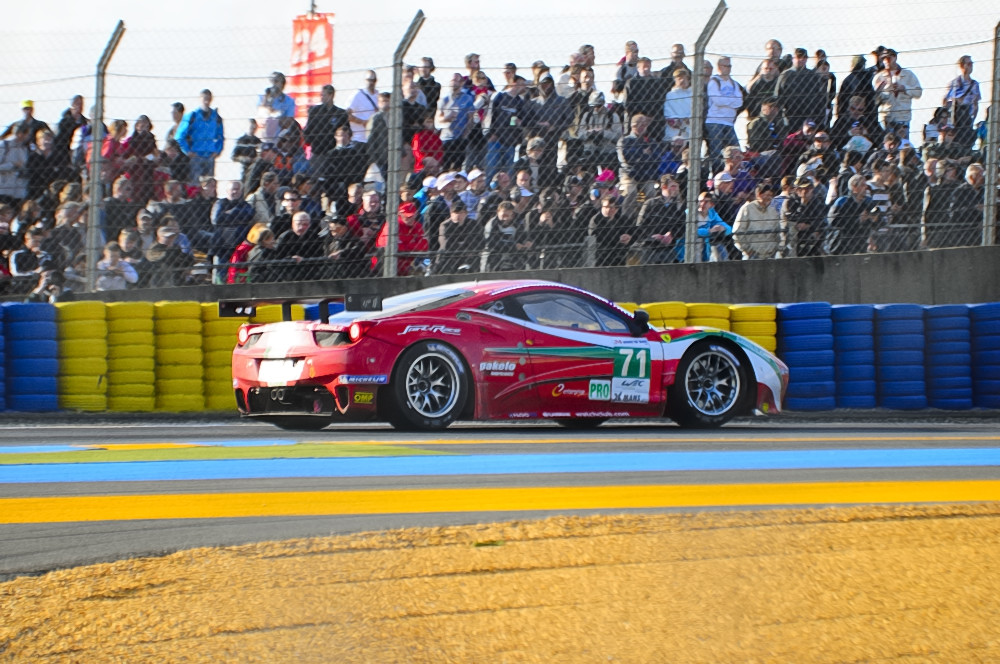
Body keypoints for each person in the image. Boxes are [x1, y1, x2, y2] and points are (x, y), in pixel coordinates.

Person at [484, 76, 528, 182]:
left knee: (508, 171)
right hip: (496, 139)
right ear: (513, 83)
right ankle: (489, 189)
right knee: (492, 168)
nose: (522, 87)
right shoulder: (499, 96)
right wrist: (490, 134)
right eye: (520, 84)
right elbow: (490, 115)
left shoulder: (520, 102)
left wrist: (519, 124)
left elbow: (522, 120)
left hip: (510, 141)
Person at [175, 89, 224, 183]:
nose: (206, 101)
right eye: (204, 98)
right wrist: (187, 151)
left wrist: (217, 151)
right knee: (195, 184)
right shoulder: (192, 116)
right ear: (200, 99)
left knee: (209, 183)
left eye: (209, 98)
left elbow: (220, 136)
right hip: (196, 155)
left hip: (210, 155)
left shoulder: (216, 117)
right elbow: (179, 136)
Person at [636, 174, 685, 264]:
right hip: (650, 247)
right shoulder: (650, 203)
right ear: (664, 187)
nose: (676, 189)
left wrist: (671, 234)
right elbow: (640, 225)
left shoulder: (680, 206)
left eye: (677, 186)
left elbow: (683, 226)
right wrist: (653, 236)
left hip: (671, 248)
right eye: (673, 186)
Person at [873, 49, 922, 139]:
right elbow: (874, 102)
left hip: (903, 117)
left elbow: (918, 92)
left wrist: (905, 88)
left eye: (889, 58)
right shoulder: (878, 77)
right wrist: (878, 91)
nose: (886, 61)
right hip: (886, 118)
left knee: (903, 144)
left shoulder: (908, 74)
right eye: (884, 59)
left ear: (895, 58)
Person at [775, 48, 826, 132]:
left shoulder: (813, 76)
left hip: (809, 117)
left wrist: (818, 119)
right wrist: (781, 118)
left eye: (804, 57)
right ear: (793, 58)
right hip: (790, 117)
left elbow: (819, 99)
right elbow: (777, 96)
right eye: (799, 57)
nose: (801, 59)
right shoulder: (785, 75)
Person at [705, 57, 744, 163]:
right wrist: (731, 101)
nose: (728, 68)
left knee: (735, 149)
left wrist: (726, 101)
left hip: (729, 122)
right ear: (719, 67)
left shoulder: (734, 83)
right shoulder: (714, 81)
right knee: (716, 152)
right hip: (715, 121)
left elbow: (739, 101)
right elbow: (717, 100)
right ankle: (716, 172)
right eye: (725, 66)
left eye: (729, 66)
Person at [827, 173, 878, 255]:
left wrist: (875, 219)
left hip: (861, 245)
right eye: (862, 185)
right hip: (841, 245)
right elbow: (833, 221)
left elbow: (879, 220)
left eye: (865, 185)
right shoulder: (843, 201)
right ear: (854, 187)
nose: (866, 187)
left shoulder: (869, 202)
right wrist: (858, 219)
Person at [374, 201, 428, 276]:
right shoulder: (392, 226)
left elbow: (424, 246)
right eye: (407, 217)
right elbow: (390, 247)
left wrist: (405, 246)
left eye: (412, 216)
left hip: (408, 263)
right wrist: (413, 245)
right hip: (388, 266)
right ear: (400, 214)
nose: (410, 219)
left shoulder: (417, 226)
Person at [304, 84, 349, 171]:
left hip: (335, 153)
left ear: (331, 95)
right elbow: (308, 129)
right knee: (317, 176)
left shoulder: (340, 113)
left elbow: (347, 131)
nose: (322, 97)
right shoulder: (315, 111)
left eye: (324, 95)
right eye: (321, 95)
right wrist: (309, 141)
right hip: (318, 151)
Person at [781, 176, 828, 257]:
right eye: (803, 188)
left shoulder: (815, 200)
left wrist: (809, 225)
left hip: (811, 234)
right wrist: (803, 204)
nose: (807, 191)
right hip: (793, 237)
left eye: (809, 188)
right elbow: (796, 223)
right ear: (797, 190)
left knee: (820, 232)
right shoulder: (790, 201)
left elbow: (820, 220)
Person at [733, 183, 782, 259]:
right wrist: (748, 250)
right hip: (752, 255)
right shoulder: (747, 209)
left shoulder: (773, 211)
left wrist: (777, 248)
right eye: (767, 195)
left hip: (771, 255)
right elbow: (738, 232)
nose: (770, 198)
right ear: (759, 194)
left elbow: (778, 232)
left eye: (771, 195)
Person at [437, 73, 475, 172]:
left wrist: (466, 134)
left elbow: (471, 118)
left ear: (462, 82)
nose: (453, 83)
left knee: (457, 166)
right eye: (452, 80)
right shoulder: (444, 99)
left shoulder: (467, 98)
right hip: (446, 137)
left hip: (461, 137)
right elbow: (438, 119)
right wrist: (447, 117)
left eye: (456, 80)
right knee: (445, 166)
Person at [437, 198, 483, 273]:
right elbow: (446, 244)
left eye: (461, 212)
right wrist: (463, 249)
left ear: (466, 213)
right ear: (451, 214)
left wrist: (469, 250)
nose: (458, 215)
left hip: (470, 256)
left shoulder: (473, 224)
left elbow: (479, 241)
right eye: (455, 212)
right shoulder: (445, 225)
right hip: (450, 257)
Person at [274, 211, 323, 281]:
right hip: (289, 273)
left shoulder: (313, 237)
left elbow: (319, 255)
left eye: (305, 224)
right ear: (293, 224)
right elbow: (277, 257)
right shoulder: (284, 237)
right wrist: (290, 258)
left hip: (310, 272)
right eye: (298, 224)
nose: (301, 227)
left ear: (309, 225)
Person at [321, 215, 368, 279]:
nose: (334, 233)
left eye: (337, 229)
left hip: (352, 274)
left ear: (344, 228)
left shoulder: (354, 241)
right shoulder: (328, 242)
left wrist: (342, 253)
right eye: (332, 230)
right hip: (333, 274)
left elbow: (357, 250)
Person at [690, 192, 733, 262]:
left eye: (706, 202)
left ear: (711, 205)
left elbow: (729, 229)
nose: (702, 204)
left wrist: (722, 228)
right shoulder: (690, 213)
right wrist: (708, 231)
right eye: (700, 201)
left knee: (720, 248)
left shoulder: (712, 214)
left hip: (706, 247)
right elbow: (690, 231)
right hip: (691, 247)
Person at [257, 72, 296, 141]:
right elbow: (260, 118)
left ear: (282, 85)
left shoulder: (289, 101)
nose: (273, 84)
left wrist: (274, 119)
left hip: (280, 138)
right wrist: (266, 99)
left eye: (276, 81)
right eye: (272, 81)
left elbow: (288, 122)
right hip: (263, 136)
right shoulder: (262, 98)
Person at [0, 123, 31, 206]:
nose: (28, 136)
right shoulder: (4, 146)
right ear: (20, 134)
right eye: (27, 134)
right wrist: (13, 165)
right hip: (3, 189)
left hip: (19, 191)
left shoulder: (24, 147)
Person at [347, 71, 380, 143]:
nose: (371, 82)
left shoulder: (378, 96)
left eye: (373, 80)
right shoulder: (357, 95)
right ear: (365, 80)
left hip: (375, 139)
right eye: (369, 80)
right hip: (359, 139)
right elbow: (347, 115)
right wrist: (364, 122)